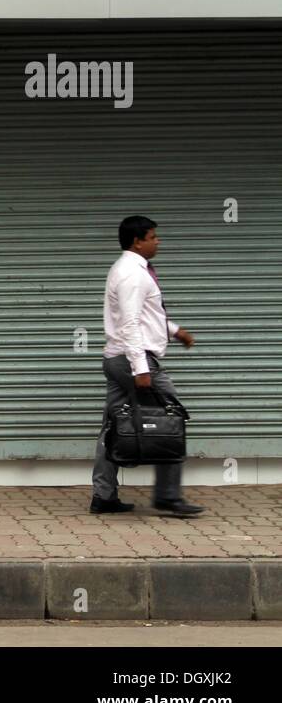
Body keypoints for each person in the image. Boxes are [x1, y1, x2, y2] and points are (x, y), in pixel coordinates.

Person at [91, 217, 204, 517]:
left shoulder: (129, 270)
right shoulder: (132, 274)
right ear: (137, 241)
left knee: (113, 426)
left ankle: (103, 496)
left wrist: (175, 331)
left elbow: (145, 317)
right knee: (172, 416)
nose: (158, 241)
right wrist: (141, 368)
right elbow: (129, 324)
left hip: (117, 358)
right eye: (153, 237)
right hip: (132, 360)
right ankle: (167, 496)